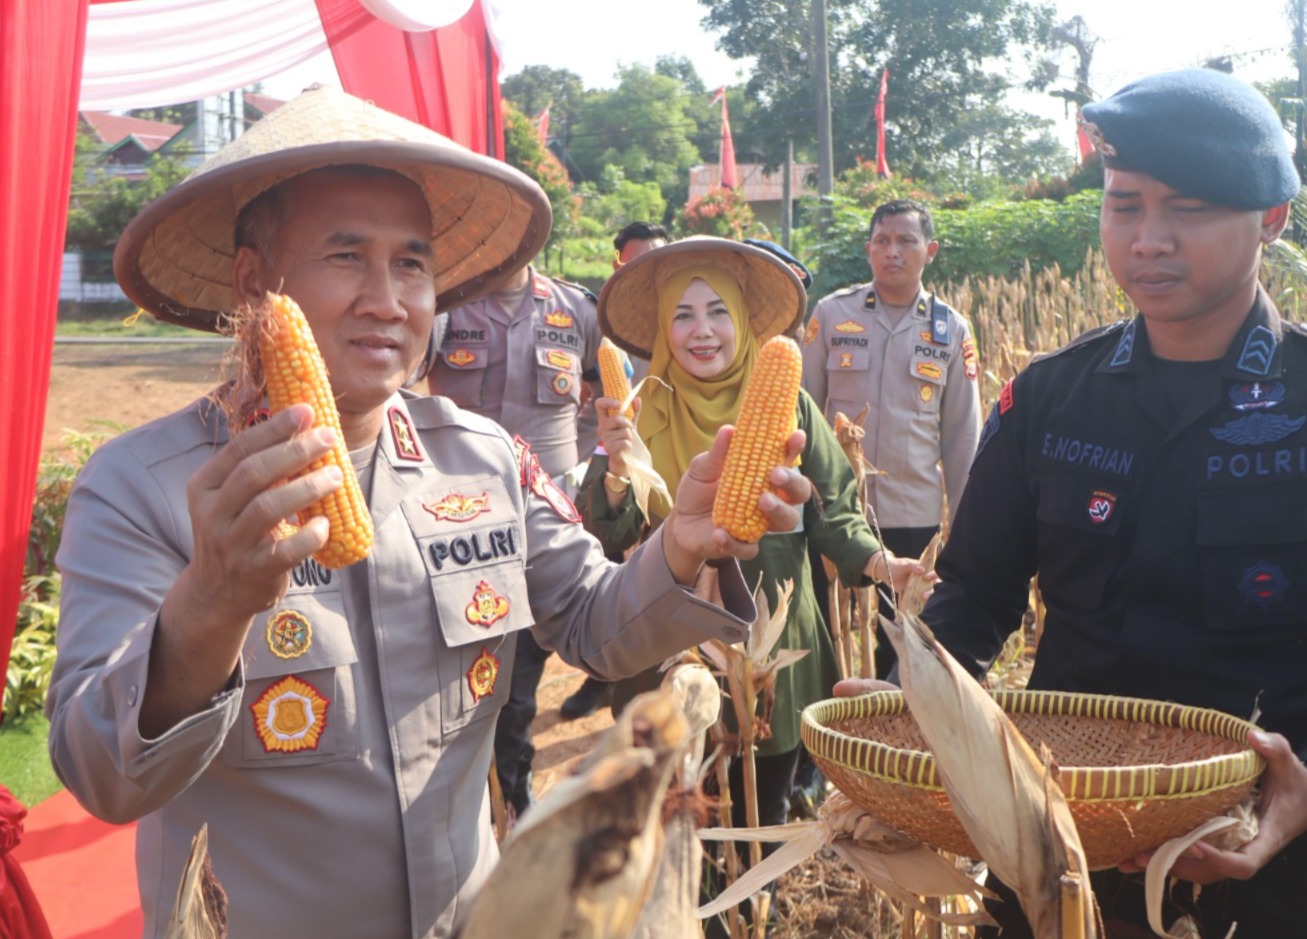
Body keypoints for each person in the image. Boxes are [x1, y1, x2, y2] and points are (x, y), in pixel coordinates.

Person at [46, 86, 816, 939]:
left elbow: (597, 623)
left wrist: (681, 545)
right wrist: (208, 605)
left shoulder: (483, 455)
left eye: (411, 263)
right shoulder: (141, 487)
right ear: (255, 281)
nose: (389, 299)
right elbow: (102, 776)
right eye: (346, 257)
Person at [841, 69, 1307, 938]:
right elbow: (975, 596)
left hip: (1268, 871)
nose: (1148, 240)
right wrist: (899, 712)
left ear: (1271, 219)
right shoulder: (1048, 400)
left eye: (1188, 210)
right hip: (1058, 856)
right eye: (1125, 206)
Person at [576, 237, 925, 829]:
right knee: (680, 817)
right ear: (664, 328)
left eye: (717, 311)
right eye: (682, 315)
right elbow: (611, 535)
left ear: (740, 320)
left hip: (776, 632)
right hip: (670, 636)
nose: (702, 330)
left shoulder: (791, 408)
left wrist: (881, 564)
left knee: (762, 812)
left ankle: (751, 915)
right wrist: (615, 471)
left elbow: (835, 511)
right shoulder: (638, 415)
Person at [424, 259, 610, 805]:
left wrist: (566, 459)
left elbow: (607, 396)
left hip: (541, 521)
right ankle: (459, 794)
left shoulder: (577, 310)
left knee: (522, 666)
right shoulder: (443, 304)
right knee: (451, 658)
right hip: (451, 518)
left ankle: (512, 790)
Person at [801, 200, 982, 678]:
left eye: (906, 240)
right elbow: (801, 412)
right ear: (868, 250)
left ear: (931, 250)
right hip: (834, 516)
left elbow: (964, 437)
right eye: (882, 241)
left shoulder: (951, 331)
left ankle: (891, 747)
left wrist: (966, 529)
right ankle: (822, 745)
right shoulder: (832, 315)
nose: (892, 251)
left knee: (901, 648)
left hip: (911, 517)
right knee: (828, 635)